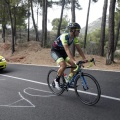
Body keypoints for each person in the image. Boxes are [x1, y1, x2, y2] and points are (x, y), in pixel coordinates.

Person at [51, 22, 87, 90]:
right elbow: (67, 50)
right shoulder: (65, 36)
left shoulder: (74, 38)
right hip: (55, 51)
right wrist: (74, 60)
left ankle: (68, 79)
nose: (79, 32)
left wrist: (84, 58)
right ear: (73, 30)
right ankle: (56, 80)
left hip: (63, 52)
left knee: (74, 65)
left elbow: (79, 49)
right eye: (78, 31)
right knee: (64, 65)